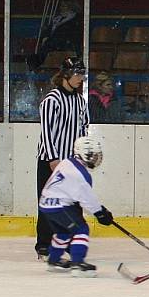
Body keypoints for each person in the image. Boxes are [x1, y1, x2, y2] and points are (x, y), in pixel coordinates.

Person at [35, 57, 90, 259]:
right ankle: (43, 244)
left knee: (73, 203)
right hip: (51, 160)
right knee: (49, 202)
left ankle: (69, 242)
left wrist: (82, 157)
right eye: (77, 74)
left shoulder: (79, 101)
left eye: (82, 74)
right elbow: (47, 132)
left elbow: (84, 128)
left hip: (71, 162)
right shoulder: (52, 100)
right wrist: (53, 160)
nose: (80, 78)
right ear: (66, 75)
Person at [38, 136, 113, 277]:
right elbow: (87, 199)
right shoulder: (80, 174)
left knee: (63, 233)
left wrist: (100, 211)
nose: (96, 159)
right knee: (81, 229)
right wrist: (101, 213)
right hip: (59, 206)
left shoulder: (67, 162)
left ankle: (53, 261)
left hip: (46, 205)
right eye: (93, 155)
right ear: (83, 154)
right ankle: (78, 264)